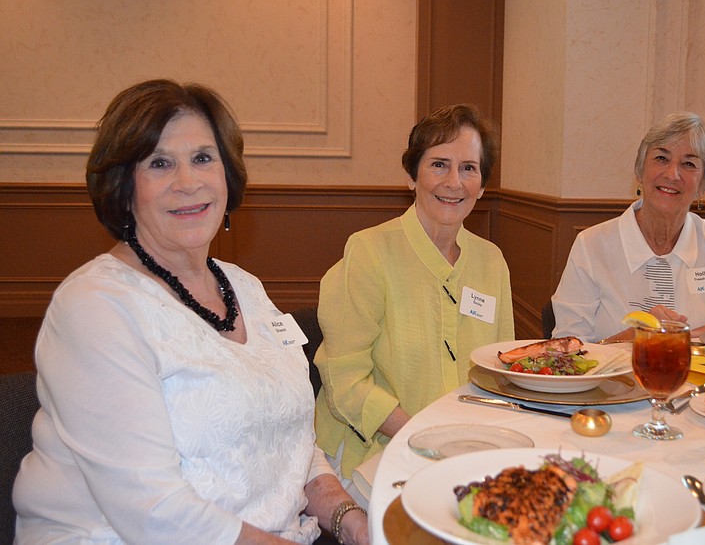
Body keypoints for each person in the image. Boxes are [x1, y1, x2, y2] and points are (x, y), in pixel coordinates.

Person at [12, 80, 368, 545]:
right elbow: (155, 514)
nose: (188, 182)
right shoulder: (95, 308)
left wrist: (350, 519)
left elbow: (290, 435)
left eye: (203, 158)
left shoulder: (246, 287)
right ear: (124, 186)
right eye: (160, 163)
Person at [314, 104, 515, 484]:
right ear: (412, 176)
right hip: (374, 448)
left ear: (483, 186)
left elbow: (500, 371)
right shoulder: (369, 252)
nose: (453, 181)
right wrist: (426, 437)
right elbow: (345, 382)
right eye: (439, 164)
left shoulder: (492, 261)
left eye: (468, 168)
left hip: (465, 447)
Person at [551, 112, 705, 343]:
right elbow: (566, 347)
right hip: (614, 389)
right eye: (661, 158)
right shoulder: (592, 245)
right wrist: (628, 339)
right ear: (640, 171)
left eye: (689, 164)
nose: (672, 174)